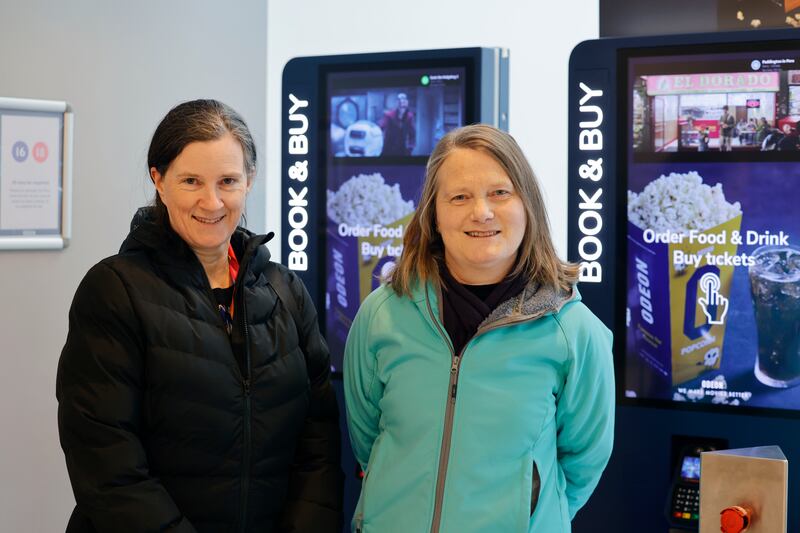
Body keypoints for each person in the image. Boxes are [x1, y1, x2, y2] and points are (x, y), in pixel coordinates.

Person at [57, 99, 343, 532]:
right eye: (191, 181)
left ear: (249, 180)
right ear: (159, 180)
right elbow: (107, 461)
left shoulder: (286, 292)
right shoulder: (116, 291)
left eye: (227, 181)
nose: (212, 201)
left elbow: (318, 445)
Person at [344, 124, 614, 532]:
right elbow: (368, 441)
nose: (482, 212)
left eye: (500, 193)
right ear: (434, 215)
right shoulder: (381, 314)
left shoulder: (573, 331)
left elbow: (583, 463)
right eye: (459, 197)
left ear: (528, 204)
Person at [379, 92, 416, 156]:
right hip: (388, 147)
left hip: (402, 147)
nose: (402, 106)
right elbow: (381, 127)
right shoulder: (389, 115)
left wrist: (410, 147)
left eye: (404, 102)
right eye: (400, 102)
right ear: (397, 104)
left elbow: (412, 133)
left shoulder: (409, 117)